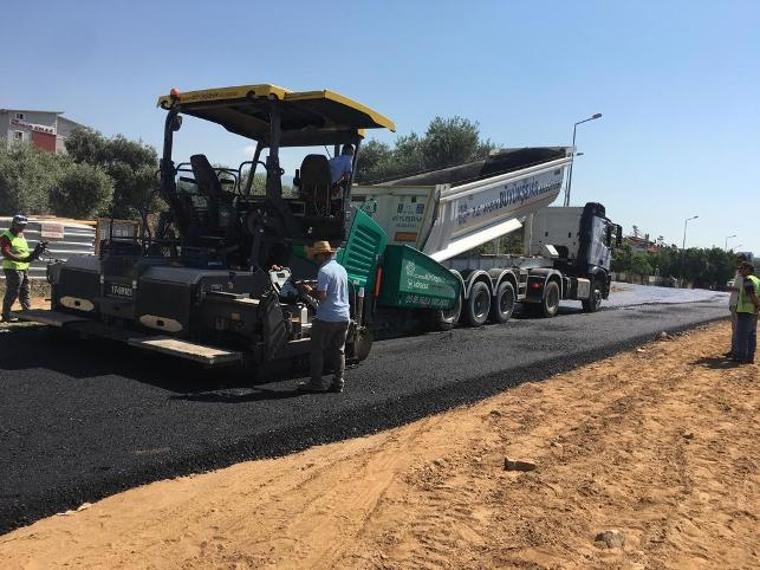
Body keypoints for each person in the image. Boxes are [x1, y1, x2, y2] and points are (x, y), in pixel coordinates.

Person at [297, 240, 350, 393]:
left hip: (327, 317)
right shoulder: (341, 269)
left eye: (315, 256)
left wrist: (307, 289)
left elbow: (322, 296)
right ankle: (338, 383)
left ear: (321, 255)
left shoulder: (324, 270)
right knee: (339, 351)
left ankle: (316, 383)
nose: (314, 259)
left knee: (317, 350)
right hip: (344, 316)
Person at [1, 214, 41, 322]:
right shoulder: (6, 236)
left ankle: (27, 313)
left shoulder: (21, 234)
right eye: (19, 225)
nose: (22, 227)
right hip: (13, 268)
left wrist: (32, 256)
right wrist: (20, 260)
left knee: (25, 290)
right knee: (13, 291)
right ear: (13, 224)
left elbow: (22, 250)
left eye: (24, 225)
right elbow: (5, 252)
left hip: (24, 267)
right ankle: (6, 313)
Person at [732, 261, 760, 365]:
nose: (740, 270)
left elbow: (752, 296)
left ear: (748, 269)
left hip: (745, 312)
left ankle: (741, 357)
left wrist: (757, 305)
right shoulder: (757, 280)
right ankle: (750, 357)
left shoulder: (747, 280)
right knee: (751, 335)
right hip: (753, 312)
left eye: (742, 268)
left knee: (742, 335)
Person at [725, 253, 748, 358]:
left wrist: (733, 289)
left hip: (739, 305)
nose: (738, 263)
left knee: (738, 329)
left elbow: (744, 290)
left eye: (740, 261)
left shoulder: (746, 275)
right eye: (737, 261)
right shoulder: (737, 273)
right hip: (734, 303)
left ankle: (737, 352)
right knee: (734, 329)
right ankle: (733, 350)